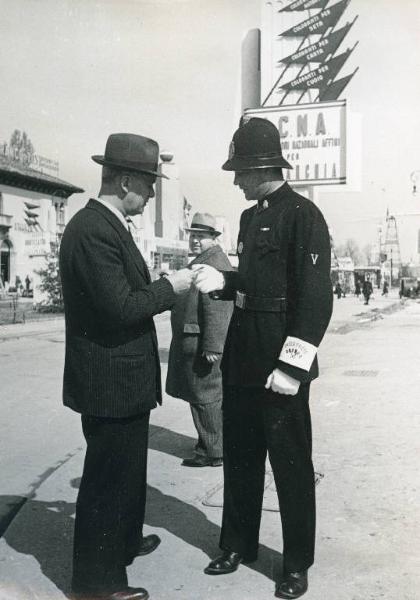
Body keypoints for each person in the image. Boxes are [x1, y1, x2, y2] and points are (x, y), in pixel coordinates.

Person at [193, 117, 333, 599]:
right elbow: (254, 285)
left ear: (260, 166)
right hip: (244, 353)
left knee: (290, 463)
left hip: (280, 356)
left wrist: (293, 367)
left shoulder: (303, 215)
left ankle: (295, 563)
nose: (235, 180)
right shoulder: (252, 218)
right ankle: (237, 544)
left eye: (240, 171)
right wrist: (226, 283)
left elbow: (315, 299)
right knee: (242, 456)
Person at [60, 133, 193, 600]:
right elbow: (119, 308)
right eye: (148, 184)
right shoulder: (94, 229)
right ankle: (97, 584)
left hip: (120, 378)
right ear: (124, 182)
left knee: (126, 471)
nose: (153, 193)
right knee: (107, 481)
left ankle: (122, 543)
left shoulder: (107, 224)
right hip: (108, 380)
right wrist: (170, 287)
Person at [166, 212, 233, 467]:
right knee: (203, 396)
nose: (195, 241)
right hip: (194, 342)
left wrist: (213, 345)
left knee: (206, 397)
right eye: (193, 235)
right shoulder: (206, 258)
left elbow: (219, 308)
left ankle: (214, 452)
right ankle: (209, 445)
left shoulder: (214, 261)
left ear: (213, 238)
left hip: (202, 345)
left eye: (201, 237)